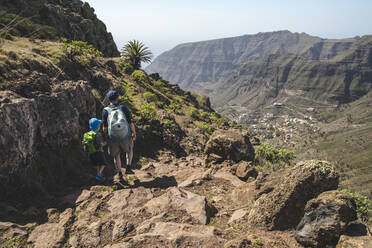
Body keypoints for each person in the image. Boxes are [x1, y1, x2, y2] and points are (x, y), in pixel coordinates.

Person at [102, 90, 136, 179]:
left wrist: (107, 136)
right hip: (125, 134)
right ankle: (128, 167)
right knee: (129, 149)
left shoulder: (105, 111)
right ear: (118, 98)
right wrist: (134, 133)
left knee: (116, 155)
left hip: (112, 136)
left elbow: (105, 127)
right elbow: (130, 122)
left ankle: (120, 173)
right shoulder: (123, 108)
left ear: (108, 99)